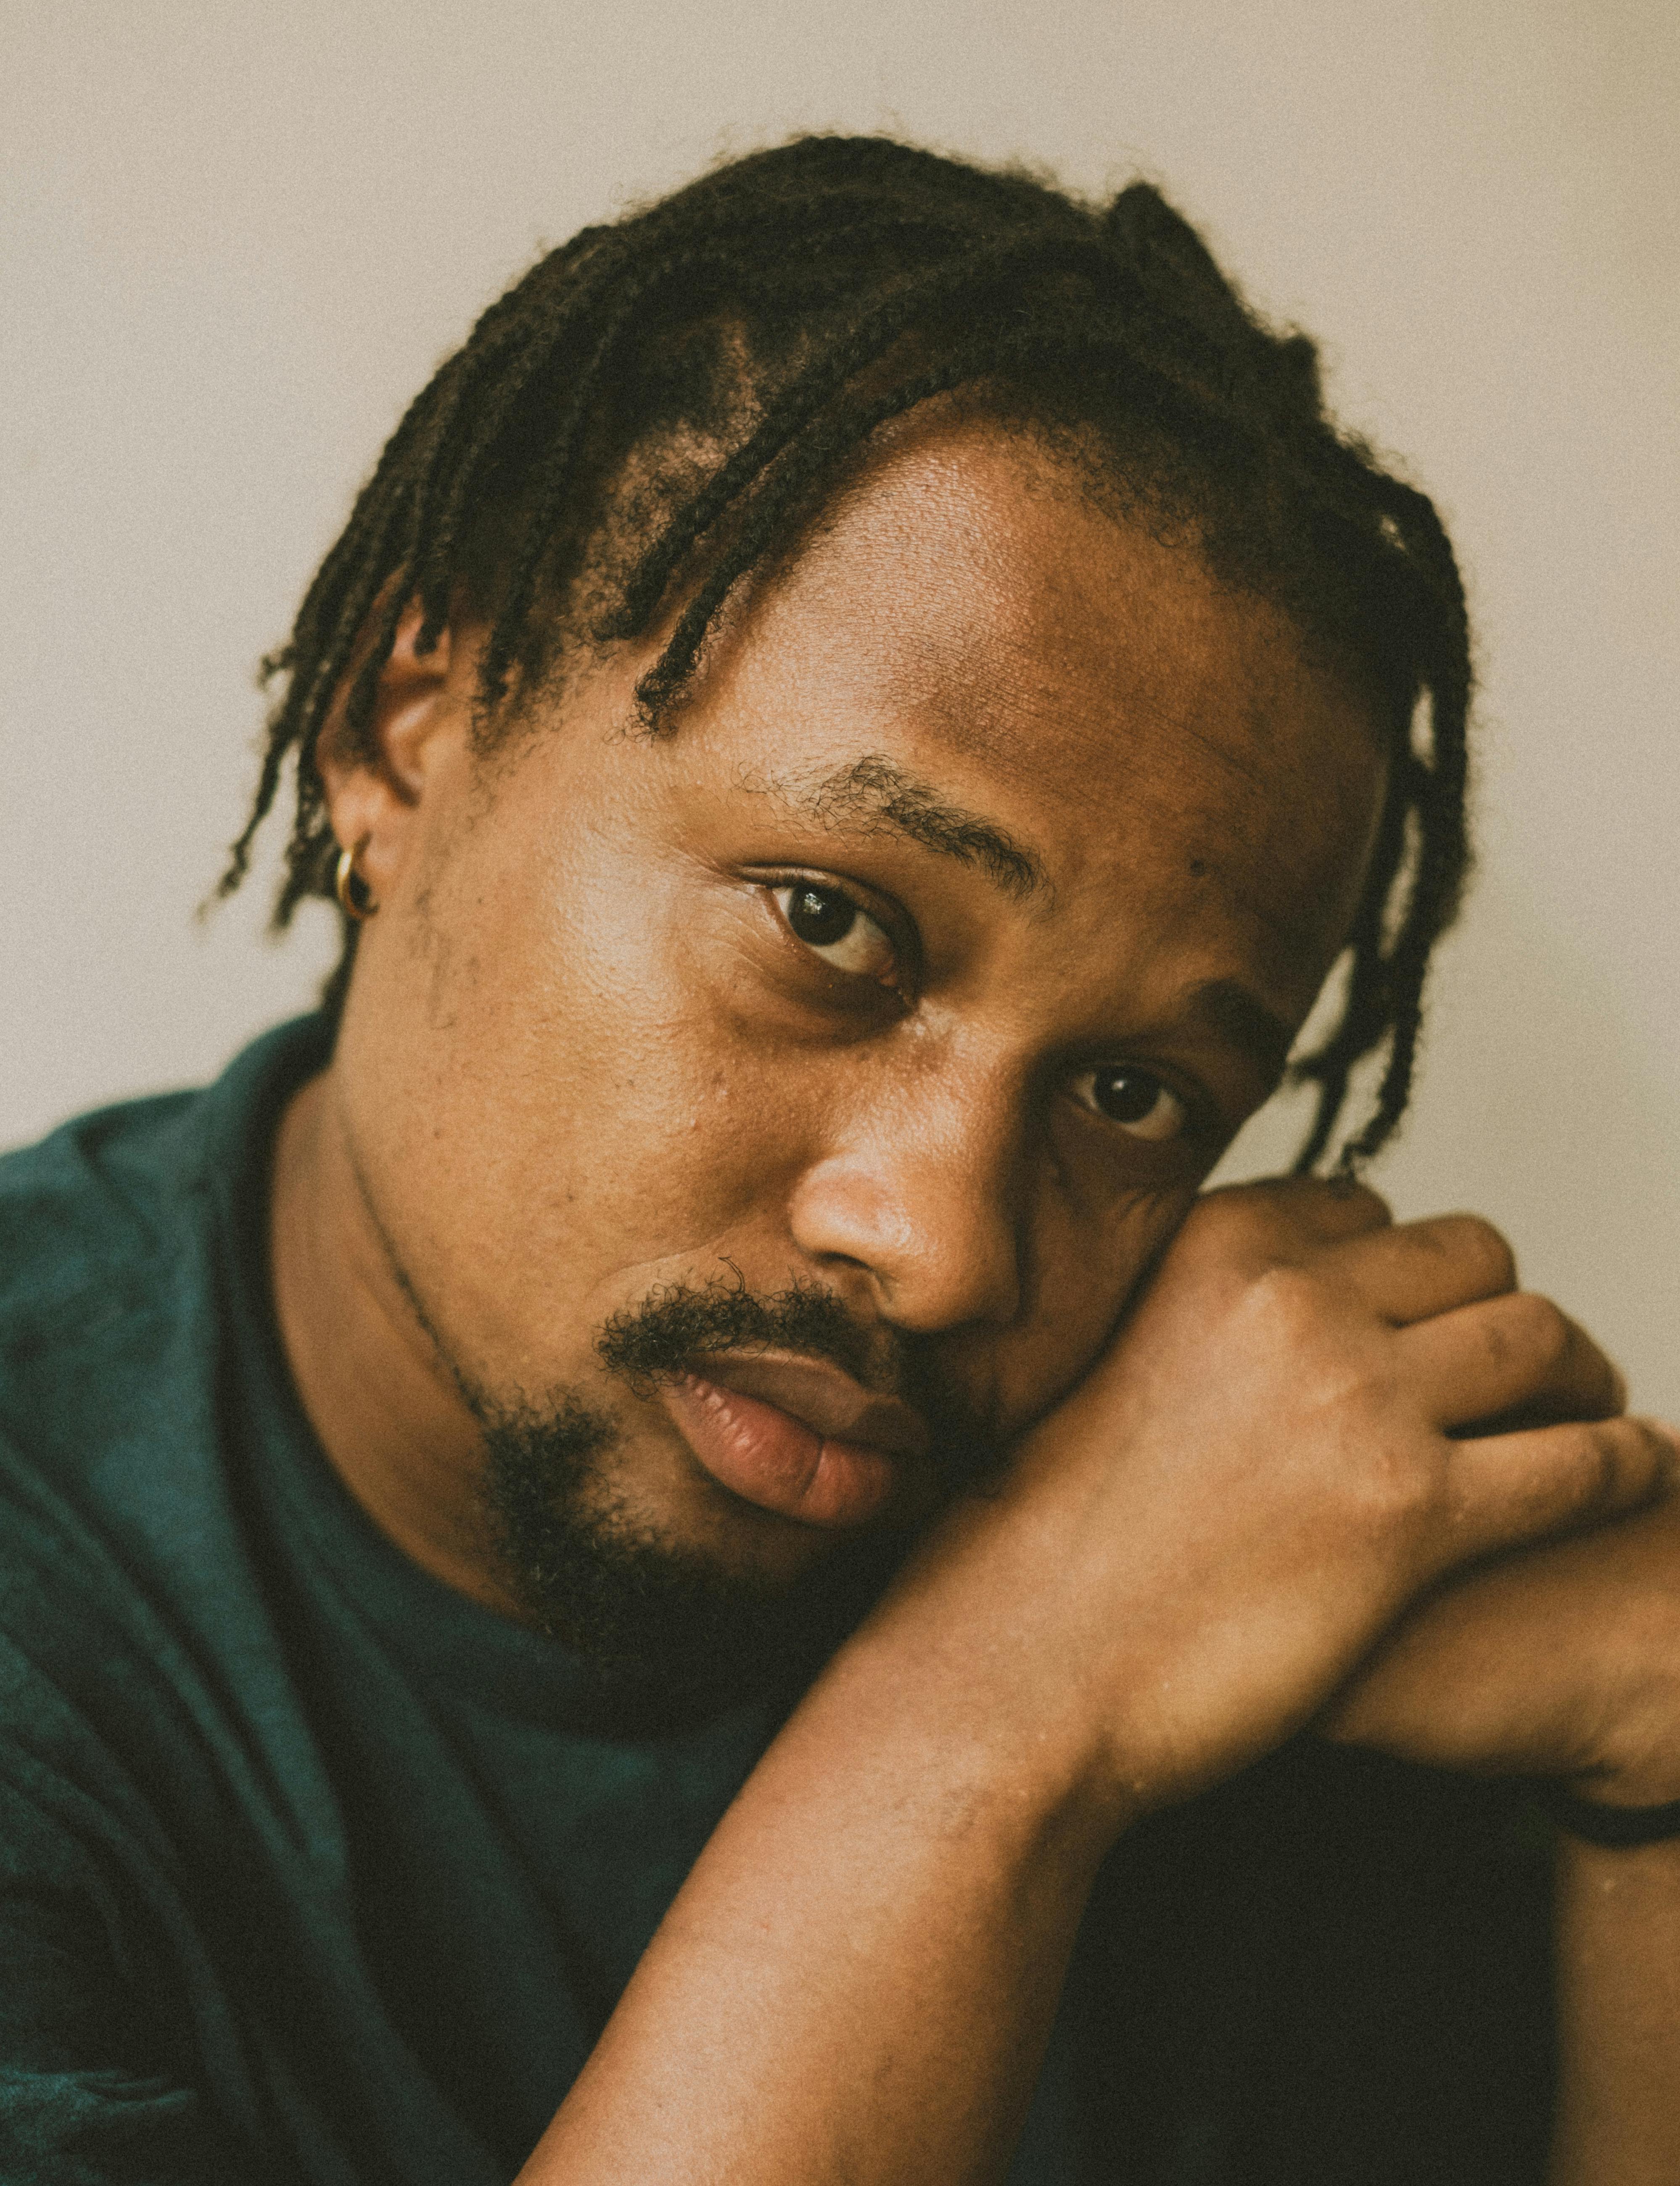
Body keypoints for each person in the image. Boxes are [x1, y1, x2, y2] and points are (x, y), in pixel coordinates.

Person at [2, 134, 1676, 2186]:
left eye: (1133, 1095)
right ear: (403, 737)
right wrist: (1000, 1717)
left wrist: (1656, 1791)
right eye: (830, 925)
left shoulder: (1279, 1583)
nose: (950, 1244)